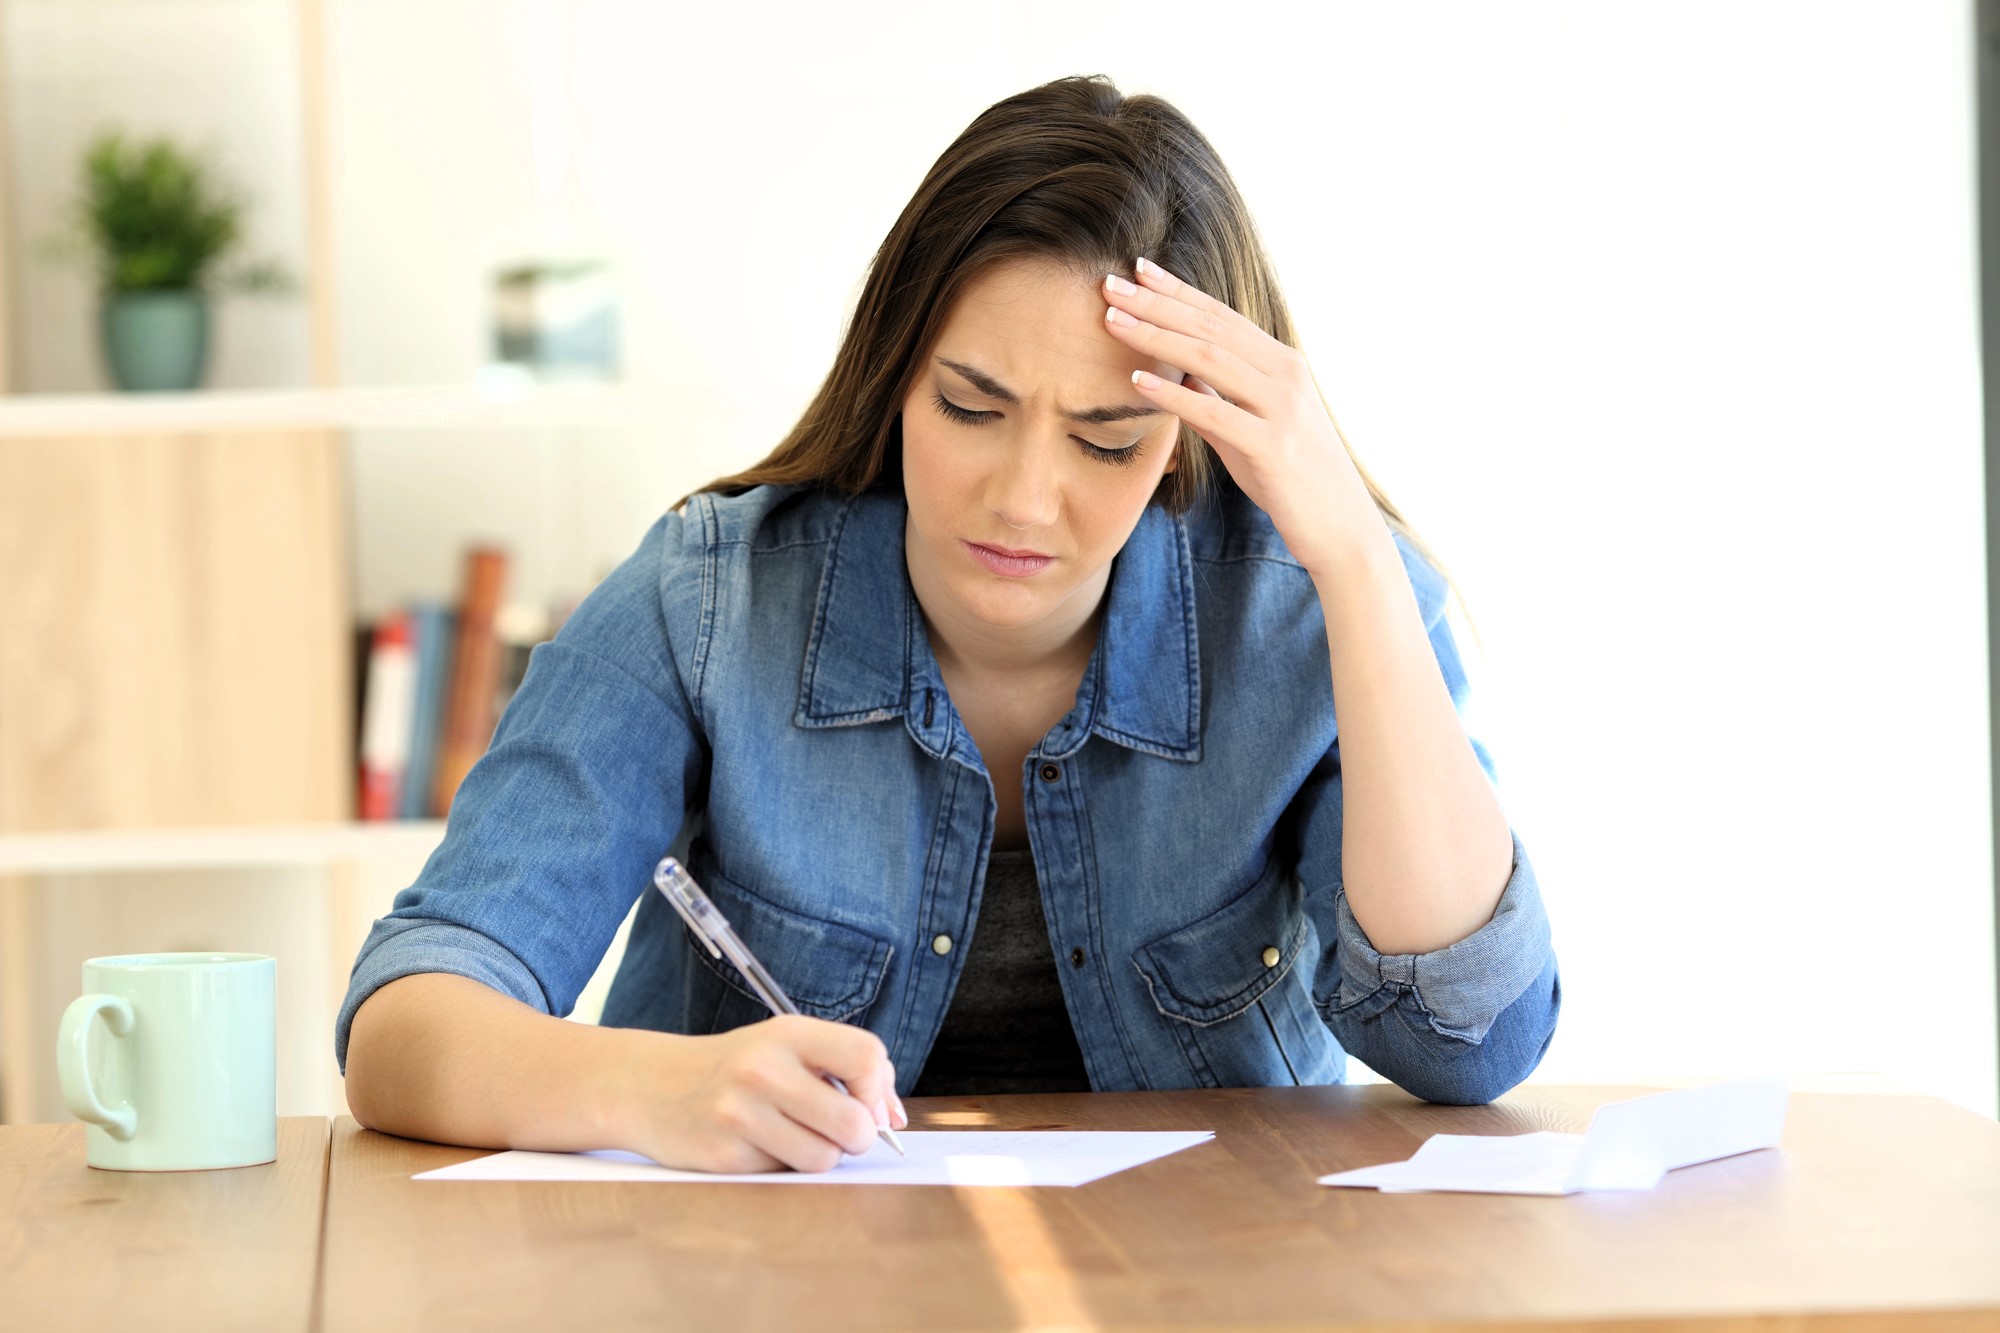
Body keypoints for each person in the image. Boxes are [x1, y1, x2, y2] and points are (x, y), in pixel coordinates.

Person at [337, 74, 1560, 1175]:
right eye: (971, 407)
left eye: (1104, 439)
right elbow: (406, 1019)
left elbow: (1469, 1040)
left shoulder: (1300, 608)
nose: (1024, 499)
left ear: (1187, 438)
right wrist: (650, 1088)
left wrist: (1351, 556)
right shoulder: (708, 601)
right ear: (896, 371)